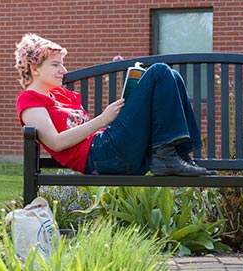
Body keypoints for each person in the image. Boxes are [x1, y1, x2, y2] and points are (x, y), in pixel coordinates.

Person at [15, 34, 214, 176]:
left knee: (172, 76)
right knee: (159, 71)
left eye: (62, 63)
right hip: (100, 156)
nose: (63, 70)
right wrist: (103, 119)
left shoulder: (61, 95)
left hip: (111, 148)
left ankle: (180, 156)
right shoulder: (29, 99)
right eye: (55, 64)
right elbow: (55, 142)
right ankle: (166, 158)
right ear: (35, 68)